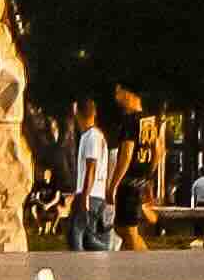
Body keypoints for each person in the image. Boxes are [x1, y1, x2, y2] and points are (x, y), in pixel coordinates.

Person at [109, 90, 155, 252]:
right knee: (121, 228)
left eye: (119, 92)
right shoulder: (150, 120)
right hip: (140, 178)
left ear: (130, 95)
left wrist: (113, 185)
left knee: (128, 230)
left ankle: (148, 266)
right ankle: (127, 266)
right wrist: (149, 174)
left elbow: (126, 154)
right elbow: (159, 149)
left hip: (128, 181)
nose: (116, 97)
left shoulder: (130, 121)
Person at [66, 98, 111, 254]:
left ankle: (107, 251)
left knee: (75, 235)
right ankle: (105, 252)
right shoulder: (94, 135)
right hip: (95, 195)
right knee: (87, 237)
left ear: (77, 113)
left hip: (90, 195)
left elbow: (91, 167)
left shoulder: (91, 136)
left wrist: (84, 196)